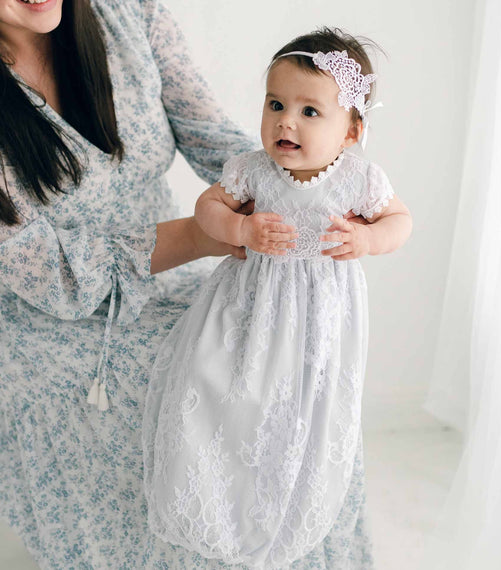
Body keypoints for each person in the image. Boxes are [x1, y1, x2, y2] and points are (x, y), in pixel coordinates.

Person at [0, 0, 406, 568]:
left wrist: (299, 184)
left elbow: (220, 139)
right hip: (46, 315)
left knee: (299, 375)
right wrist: (219, 230)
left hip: (180, 264)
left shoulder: (128, 15)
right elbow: (51, 272)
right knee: (193, 401)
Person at [143, 29, 413, 569]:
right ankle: (216, 487)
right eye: (276, 104)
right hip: (250, 304)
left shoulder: (359, 180)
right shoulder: (254, 171)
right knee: (224, 384)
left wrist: (367, 239)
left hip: (320, 315)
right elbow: (207, 206)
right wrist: (238, 232)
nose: (285, 121)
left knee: (303, 401)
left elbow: (400, 222)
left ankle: (285, 488)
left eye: (310, 111)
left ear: (352, 129)